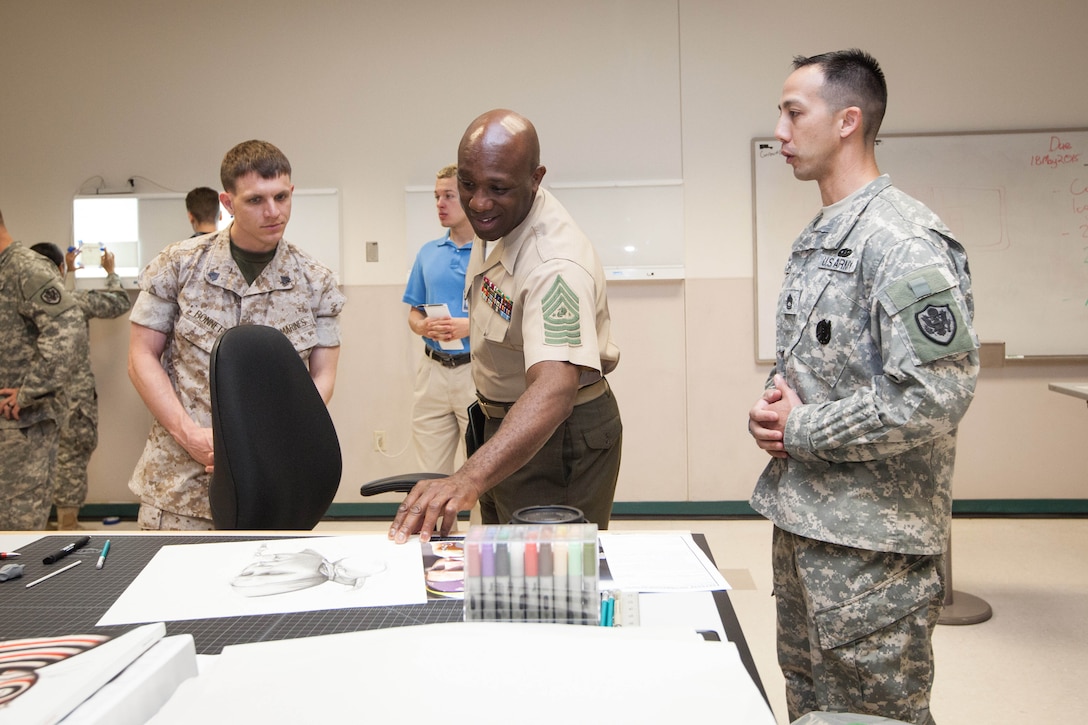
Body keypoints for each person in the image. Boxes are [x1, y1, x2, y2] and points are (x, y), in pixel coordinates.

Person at [747, 50, 979, 724]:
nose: (781, 132)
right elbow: (812, 363)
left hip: (873, 548)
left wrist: (800, 430)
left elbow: (937, 392)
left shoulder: (904, 240)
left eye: (794, 113)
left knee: (875, 716)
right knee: (816, 709)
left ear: (848, 120)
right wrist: (773, 405)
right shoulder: (819, 236)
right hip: (807, 526)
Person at [389, 109, 622, 543]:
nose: (478, 201)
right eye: (467, 183)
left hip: (555, 435)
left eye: (497, 187)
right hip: (504, 425)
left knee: (547, 586)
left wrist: (466, 478)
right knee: (501, 568)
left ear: (536, 178)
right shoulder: (499, 219)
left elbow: (554, 390)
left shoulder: (554, 264)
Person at [127, 140, 346, 530]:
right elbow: (141, 357)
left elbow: (322, 376)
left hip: (272, 480)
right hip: (182, 482)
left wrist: (276, 436)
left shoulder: (316, 281)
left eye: (281, 196)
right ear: (228, 203)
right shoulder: (178, 266)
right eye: (256, 200)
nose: (273, 211)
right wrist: (189, 434)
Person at [30, 242, 131, 530]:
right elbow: (119, 302)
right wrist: (110, 273)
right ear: (60, 267)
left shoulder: (17, 300)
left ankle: (37, 524)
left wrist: (64, 272)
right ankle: (67, 523)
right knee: (73, 454)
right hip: (72, 396)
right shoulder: (71, 299)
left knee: (34, 457)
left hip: (29, 396)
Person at [0, 209, 88, 530]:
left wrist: (28, 392)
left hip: (19, 429)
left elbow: (67, 330)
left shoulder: (25, 269)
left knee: (14, 540)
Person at [402, 164, 476, 473]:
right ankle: (434, 524)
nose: (440, 204)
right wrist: (421, 325)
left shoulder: (494, 253)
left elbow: (512, 316)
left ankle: (481, 525)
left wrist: (470, 326)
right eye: (436, 197)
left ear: (470, 199)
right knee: (429, 475)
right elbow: (414, 310)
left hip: (476, 371)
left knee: (482, 470)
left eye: (449, 196)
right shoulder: (428, 253)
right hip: (432, 371)